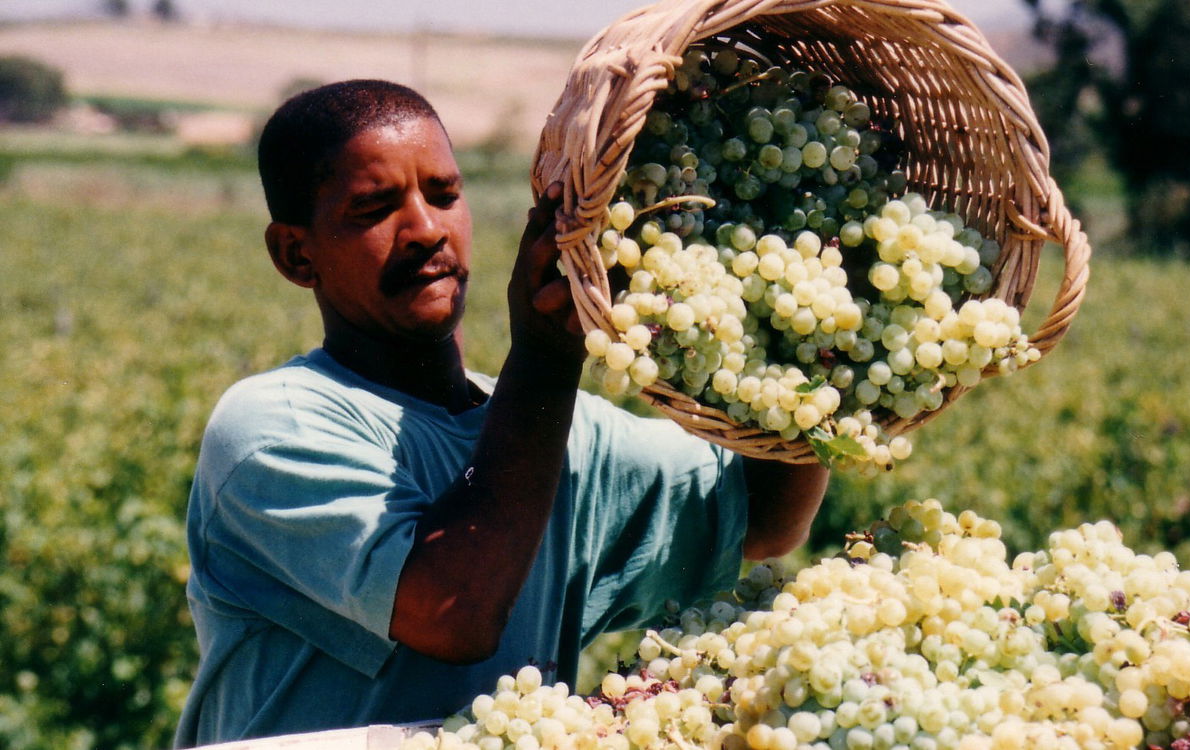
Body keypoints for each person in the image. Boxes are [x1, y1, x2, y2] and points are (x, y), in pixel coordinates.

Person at [174, 79, 828, 747]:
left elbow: (765, 515)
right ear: (296, 254)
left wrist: (806, 343)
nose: (426, 229)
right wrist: (546, 356)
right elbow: (456, 613)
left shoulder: (558, 434)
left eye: (444, 195)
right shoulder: (273, 428)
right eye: (373, 209)